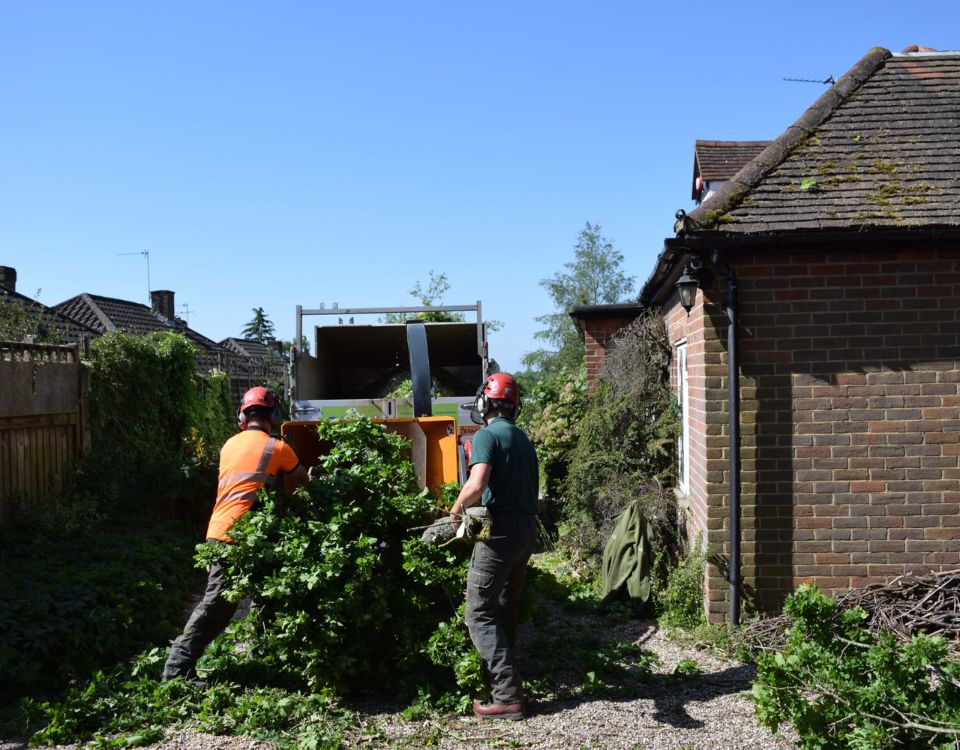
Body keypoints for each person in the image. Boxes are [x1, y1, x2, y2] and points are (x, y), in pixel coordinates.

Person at [162, 386, 308, 683]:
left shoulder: (228, 445)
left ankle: (261, 659)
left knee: (266, 597)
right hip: (241, 535)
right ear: (274, 416)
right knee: (219, 604)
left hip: (224, 529)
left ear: (242, 415)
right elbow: (302, 482)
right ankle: (176, 669)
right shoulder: (278, 448)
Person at [450, 373, 539, 721]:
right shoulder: (522, 438)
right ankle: (507, 673)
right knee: (506, 605)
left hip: (499, 534)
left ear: (485, 403)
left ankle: (507, 695)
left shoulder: (486, 435)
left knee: (478, 613)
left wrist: (454, 514)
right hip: (526, 532)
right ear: (515, 406)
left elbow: (477, 483)